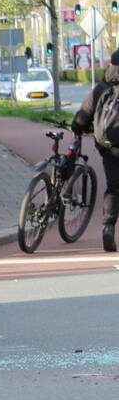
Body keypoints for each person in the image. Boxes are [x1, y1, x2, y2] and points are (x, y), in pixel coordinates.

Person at [71, 49, 119, 251]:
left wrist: (78, 129)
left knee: (114, 187)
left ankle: (108, 227)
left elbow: (83, 116)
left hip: (110, 147)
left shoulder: (102, 88)